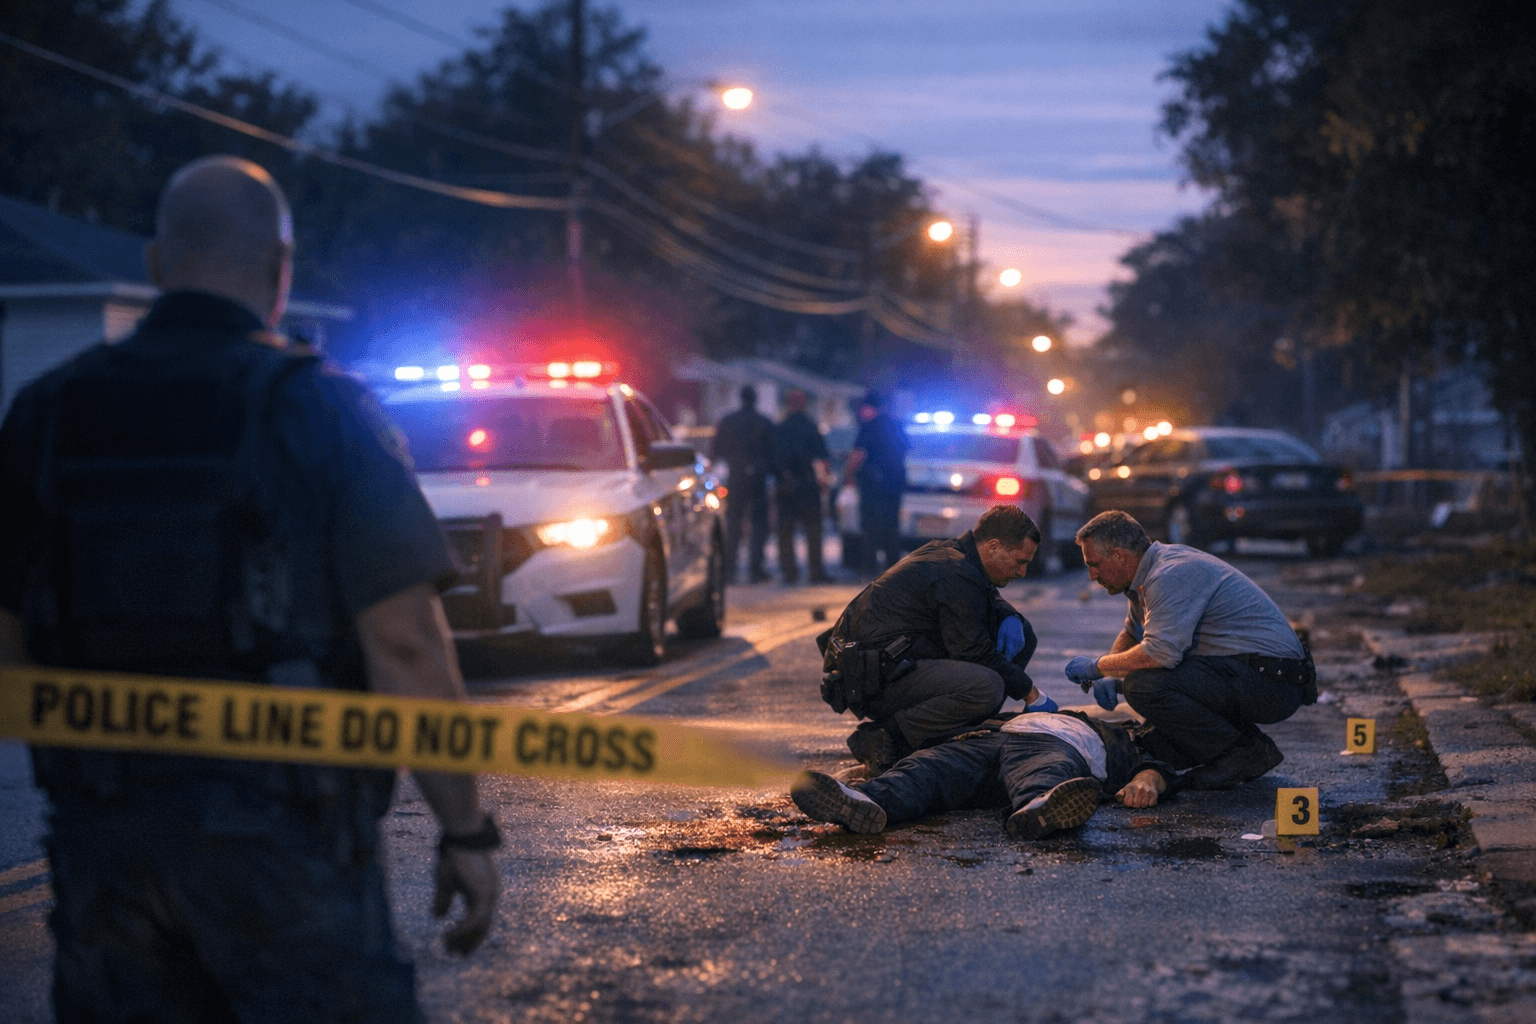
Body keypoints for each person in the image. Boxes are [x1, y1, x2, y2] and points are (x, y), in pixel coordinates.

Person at [0, 156, 499, 1022]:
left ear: (156, 265)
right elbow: (407, 643)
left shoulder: (45, 412)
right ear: (281, 271)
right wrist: (463, 830)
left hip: (103, 841)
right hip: (285, 845)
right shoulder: (322, 410)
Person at [1065, 510, 1316, 790]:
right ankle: (1242, 743)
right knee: (1160, 730)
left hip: (1274, 684)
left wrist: (1098, 667)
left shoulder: (1169, 574)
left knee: (1143, 686)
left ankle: (1241, 753)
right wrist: (1112, 671)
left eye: (1095, 564)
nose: (1091, 576)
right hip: (1254, 673)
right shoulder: (1145, 576)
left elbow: (1159, 653)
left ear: (1120, 555)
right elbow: (1132, 632)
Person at [818, 504, 1053, 776]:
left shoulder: (957, 554)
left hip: (890, 666)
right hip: (873, 680)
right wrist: (1030, 692)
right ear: (993, 546)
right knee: (985, 686)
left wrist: (1011, 616)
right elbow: (972, 651)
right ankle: (884, 735)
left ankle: (943, 733)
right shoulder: (954, 570)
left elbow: (981, 594)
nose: (1022, 572)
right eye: (1020, 561)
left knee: (1022, 634)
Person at [790, 708, 1175, 838]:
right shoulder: (1008, 716)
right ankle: (863, 799)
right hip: (984, 739)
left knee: (1044, 771)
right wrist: (868, 769)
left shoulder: (1119, 734)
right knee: (929, 767)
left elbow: (1156, 766)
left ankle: (1043, 807)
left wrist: (1146, 781)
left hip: (1051, 744)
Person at [712, 384, 775, 583]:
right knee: (758, 524)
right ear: (754, 399)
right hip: (757, 477)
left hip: (736, 475)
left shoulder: (729, 421)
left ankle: (730, 569)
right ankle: (755, 569)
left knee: (733, 523)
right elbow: (773, 453)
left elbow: (718, 450)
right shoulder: (764, 422)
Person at [846, 389, 909, 576]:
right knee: (891, 526)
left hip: (872, 487)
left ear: (868, 408)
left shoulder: (868, 427)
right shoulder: (897, 425)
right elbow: (905, 451)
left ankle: (869, 566)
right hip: (894, 486)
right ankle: (893, 567)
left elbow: (858, 455)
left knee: (870, 528)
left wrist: (848, 474)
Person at [772, 388, 831, 584]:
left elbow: (773, 460)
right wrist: (823, 483)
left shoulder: (780, 428)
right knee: (813, 530)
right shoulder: (810, 426)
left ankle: (790, 572)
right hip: (807, 484)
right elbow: (822, 458)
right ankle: (816, 571)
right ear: (803, 404)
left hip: (785, 484)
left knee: (785, 531)